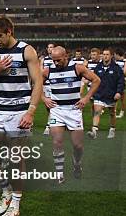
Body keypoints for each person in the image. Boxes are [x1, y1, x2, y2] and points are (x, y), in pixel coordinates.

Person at [0, 16, 43, 216]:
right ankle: (5, 190)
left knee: (16, 159)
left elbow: (37, 82)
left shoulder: (26, 50)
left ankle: (15, 202)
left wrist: (31, 111)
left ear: (9, 31)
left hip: (19, 113)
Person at [42, 46, 100, 183]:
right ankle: (59, 174)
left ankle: (77, 164)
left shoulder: (77, 68)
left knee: (78, 146)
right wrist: (44, 98)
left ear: (66, 56)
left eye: (59, 60)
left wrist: (86, 98)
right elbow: (35, 84)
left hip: (74, 110)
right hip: (57, 110)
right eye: (53, 60)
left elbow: (96, 80)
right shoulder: (48, 71)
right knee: (57, 142)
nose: (56, 63)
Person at [87, 49, 125, 139]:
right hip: (99, 94)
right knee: (97, 112)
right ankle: (94, 131)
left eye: (107, 54)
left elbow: (121, 82)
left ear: (111, 56)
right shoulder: (98, 67)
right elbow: (94, 80)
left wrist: (118, 92)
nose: (105, 56)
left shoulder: (116, 68)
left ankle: (112, 129)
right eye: (104, 54)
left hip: (111, 95)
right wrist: (92, 91)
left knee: (112, 113)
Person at [40, 43, 55, 135]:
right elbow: (40, 72)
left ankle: (49, 126)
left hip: (54, 85)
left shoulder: (57, 58)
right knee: (48, 106)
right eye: (49, 47)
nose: (50, 49)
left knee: (53, 105)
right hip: (45, 85)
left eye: (52, 47)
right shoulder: (43, 59)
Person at [114, 49, 126, 118]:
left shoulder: (125, 61)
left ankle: (122, 111)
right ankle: (114, 111)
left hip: (121, 81)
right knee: (114, 97)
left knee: (122, 98)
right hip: (114, 81)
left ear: (117, 54)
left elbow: (124, 72)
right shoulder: (114, 61)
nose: (114, 56)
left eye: (114, 55)